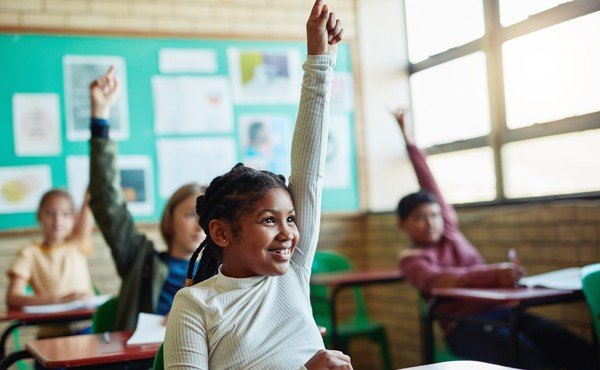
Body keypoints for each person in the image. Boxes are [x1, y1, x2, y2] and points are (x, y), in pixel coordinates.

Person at [163, 1, 351, 369]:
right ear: (221, 232)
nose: (288, 234)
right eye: (269, 220)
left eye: (291, 219)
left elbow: (309, 172)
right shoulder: (196, 304)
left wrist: (320, 62)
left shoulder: (292, 270)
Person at [392, 110, 598, 370]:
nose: (431, 222)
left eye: (434, 215)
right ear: (402, 224)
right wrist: (494, 273)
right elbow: (443, 279)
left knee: (572, 347)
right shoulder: (412, 261)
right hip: (466, 326)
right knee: (534, 360)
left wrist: (409, 141)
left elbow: (429, 184)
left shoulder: (449, 231)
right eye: (420, 217)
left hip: (506, 312)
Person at [88, 67, 206, 330]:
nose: (200, 225)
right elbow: (107, 200)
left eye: (207, 218)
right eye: (190, 214)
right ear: (170, 219)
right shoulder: (140, 261)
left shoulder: (223, 271)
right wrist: (100, 118)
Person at [6, 189, 94, 339]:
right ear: (39, 216)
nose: (58, 220)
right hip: (51, 336)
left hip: (86, 329)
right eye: (50, 213)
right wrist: (60, 299)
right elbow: (13, 299)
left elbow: (89, 201)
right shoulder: (29, 253)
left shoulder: (77, 243)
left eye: (65, 214)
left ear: (74, 219)